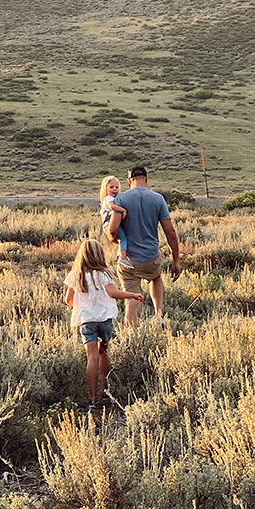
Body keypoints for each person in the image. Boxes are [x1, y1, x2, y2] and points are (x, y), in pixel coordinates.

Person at [64, 238, 143, 410]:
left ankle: (92, 399)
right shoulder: (105, 273)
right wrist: (132, 294)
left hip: (87, 320)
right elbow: (113, 293)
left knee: (91, 357)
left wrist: (83, 306)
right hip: (105, 320)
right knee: (103, 354)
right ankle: (107, 392)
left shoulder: (75, 275)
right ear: (100, 254)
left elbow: (68, 300)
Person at [108, 164, 181, 328]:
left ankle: (132, 334)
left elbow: (113, 230)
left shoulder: (121, 199)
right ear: (146, 180)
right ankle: (158, 314)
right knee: (155, 278)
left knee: (132, 297)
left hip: (129, 260)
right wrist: (176, 260)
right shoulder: (158, 198)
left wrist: (114, 240)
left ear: (129, 181)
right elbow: (170, 232)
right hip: (151, 257)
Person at [99, 175, 129, 265]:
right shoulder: (108, 198)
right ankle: (123, 258)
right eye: (111, 187)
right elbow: (113, 207)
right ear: (105, 189)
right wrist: (123, 210)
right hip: (109, 222)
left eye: (116, 187)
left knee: (121, 239)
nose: (114, 189)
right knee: (123, 239)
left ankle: (120, 255)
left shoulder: (115, 198)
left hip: (111, 221)